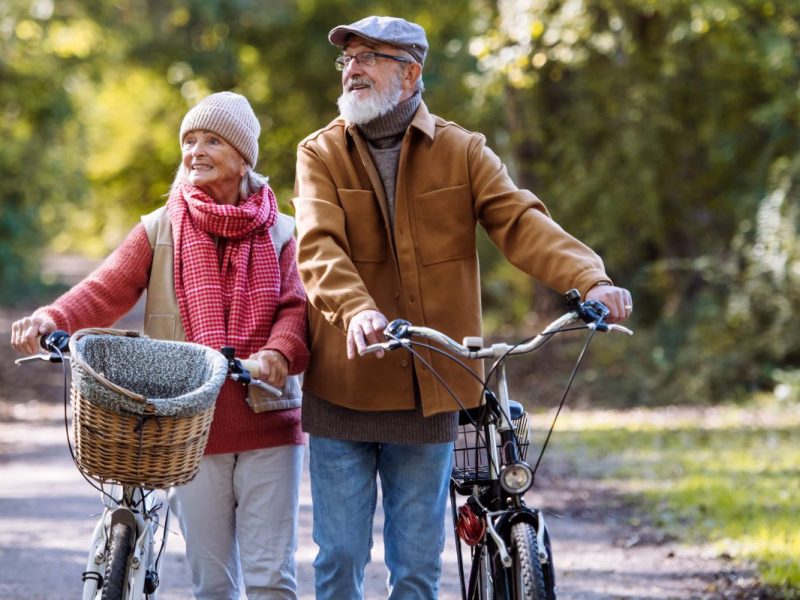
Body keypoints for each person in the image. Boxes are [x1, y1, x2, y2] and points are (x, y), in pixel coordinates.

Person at [292, 15, 634, 600]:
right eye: (347, 58)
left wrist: (590, 279)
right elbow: (318, 245)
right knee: (340, 560)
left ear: (410, 72)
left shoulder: (462, 150)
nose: (351, 68)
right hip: (344, 386)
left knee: (418, 570)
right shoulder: (320, 152)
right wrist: (355, 310)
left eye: (368, 57)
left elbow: (522, 221)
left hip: (434, 393)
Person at [10, 92, 309, 600]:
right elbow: (106, 289)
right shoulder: (160, 226)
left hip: (269, 421)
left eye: (212, 140)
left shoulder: (284, 231)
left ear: (242, 158)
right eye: (189, 140)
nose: (195, 150)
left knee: (270, 581)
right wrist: (50, 318)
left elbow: (296, 307)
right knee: (212, 583)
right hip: (190, 426)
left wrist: (277, 355)